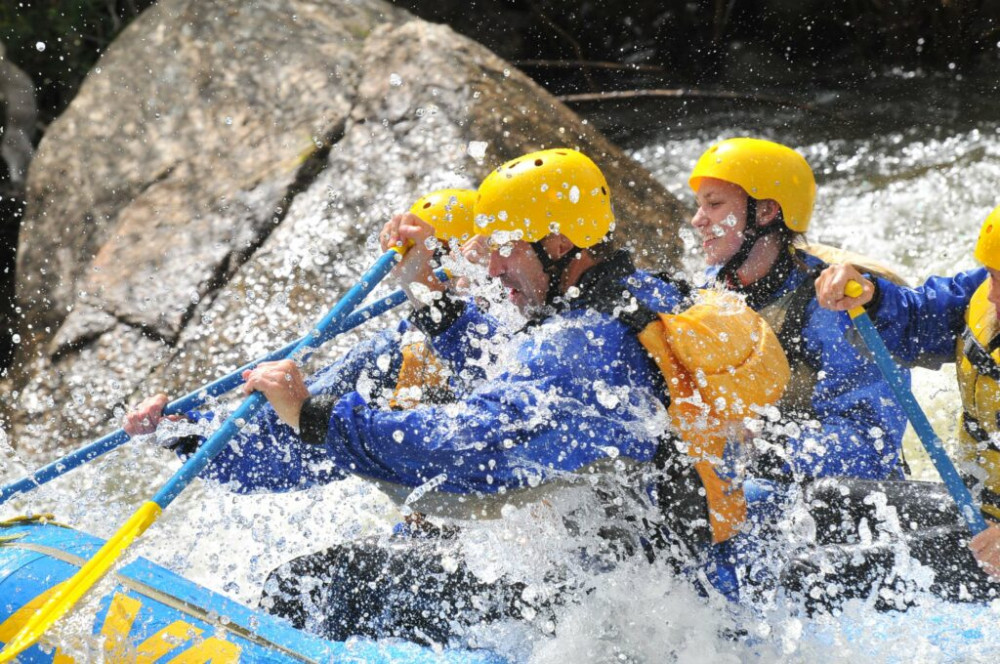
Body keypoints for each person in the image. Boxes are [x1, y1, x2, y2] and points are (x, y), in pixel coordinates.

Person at [126, 151, 764, 644]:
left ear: (560, 242)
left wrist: (318, 416)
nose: (487, 267)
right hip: (670, 593)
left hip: (636, 617)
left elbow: (470, 456)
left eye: (501, 246)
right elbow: (499, 388)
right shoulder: (636, 302)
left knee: (316, 587)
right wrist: (187, 435)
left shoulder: (581, 345)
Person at [687, 137, 908, 482]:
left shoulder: (836, 308)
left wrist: (764, 444)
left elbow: (871, 445)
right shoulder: (706, 293)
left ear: (765, 211)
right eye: (699, 205)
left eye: (713, 204)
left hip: (835, 497)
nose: (697, 220)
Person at [813, 206, 1000, 598]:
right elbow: (918, 320)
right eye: (994, 277)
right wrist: (872, 295)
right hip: (978, 514)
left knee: (814, 577)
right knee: (823, 500)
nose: (994, 295)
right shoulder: (984, 295)